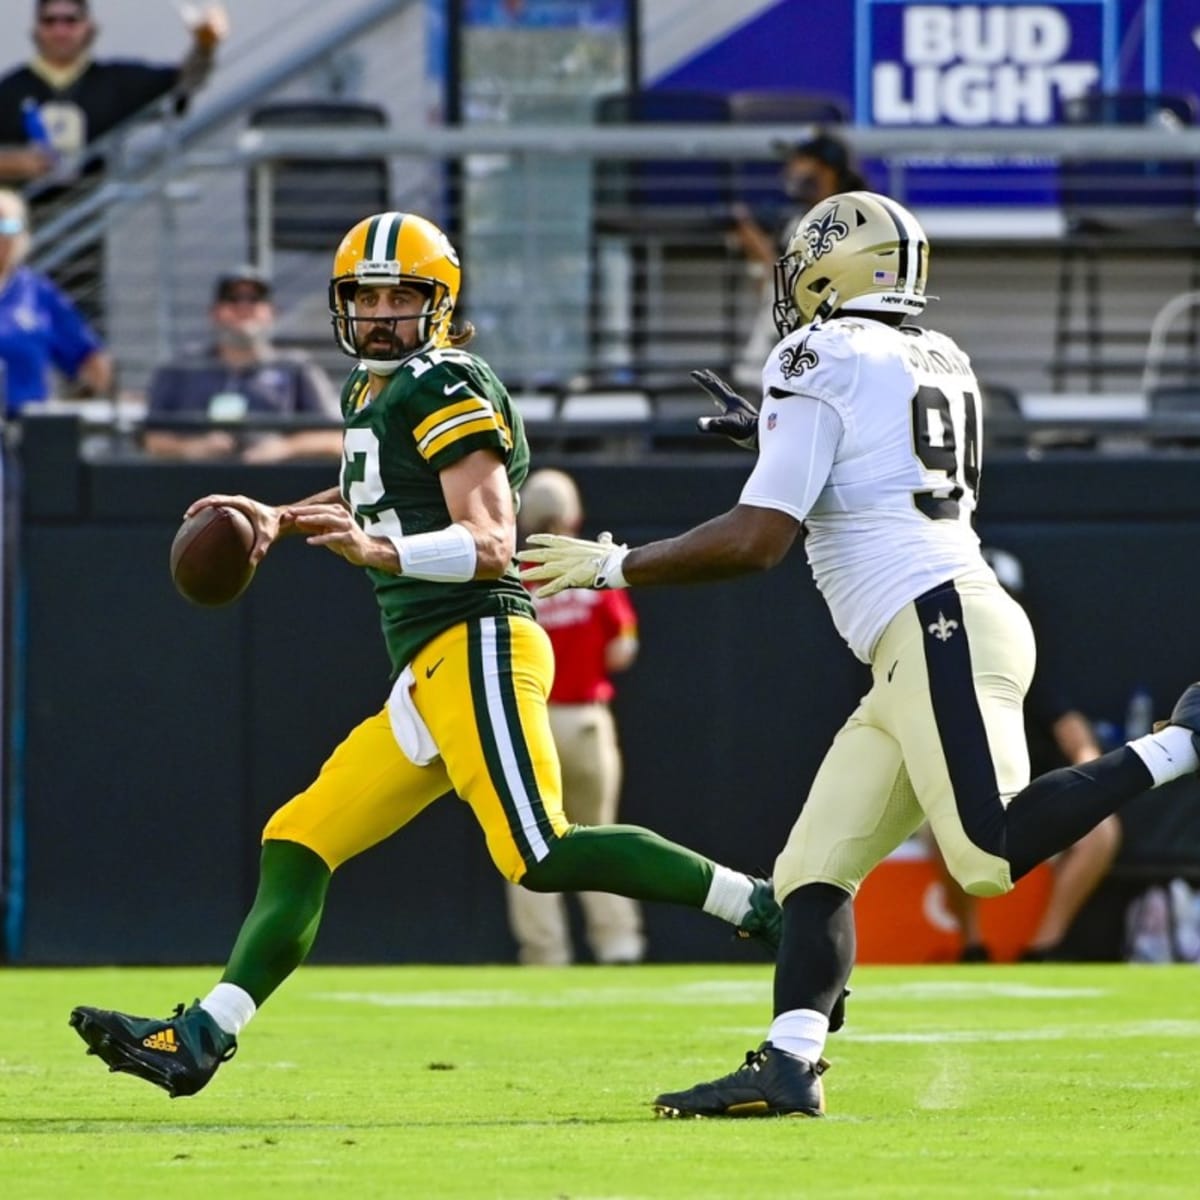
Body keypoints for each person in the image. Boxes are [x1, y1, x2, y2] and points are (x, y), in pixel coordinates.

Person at [67, 210, 781, 1099]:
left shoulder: (442, 381)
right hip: (432, 664)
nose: (381, 313)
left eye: (402, 294)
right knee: (299, 837)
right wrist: (281, 516)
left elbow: (489, 539)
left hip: (477, 636)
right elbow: (378, 488)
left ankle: (762, 907)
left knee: (540, 851)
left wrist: (380, 553)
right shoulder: (375, 392)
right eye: (366, 296)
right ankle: (204, 1035)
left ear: (440, 305)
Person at [519, 190, 1200, 1118]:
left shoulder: (819, 351)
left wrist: (615, 563)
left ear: (834, 269)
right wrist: (768, 436)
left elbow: (761, 540)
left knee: (988, 852)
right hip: (921, 630)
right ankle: (791, 1063)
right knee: (811, 871)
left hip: (935, 620)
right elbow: (873, 467)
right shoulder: (940, 354)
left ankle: (1185, 743)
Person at [933, 546, 1121, 963]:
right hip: (969, 800)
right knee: (936, 825)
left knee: (1102, 831)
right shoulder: (936, 674)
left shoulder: (1029, 673)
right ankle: (972, 945)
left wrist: (1088, 774)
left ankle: (1044, 947)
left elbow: (1073, 732)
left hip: (1035, 801)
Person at [0, 0, 228, 320]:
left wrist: (205, 47)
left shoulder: (113, 82)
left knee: (82, 321)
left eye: (70, 20)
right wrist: (12, 162)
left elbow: (184, 84)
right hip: (18, 228)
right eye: (50, 21)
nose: (60, 30)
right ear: (36, 30)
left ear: (88, 27)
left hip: (88, 228)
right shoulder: (10, 89)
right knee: (17, 317)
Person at [506, 468, 645, 966]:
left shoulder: (512, 576)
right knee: (599, 833)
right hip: (585, 718)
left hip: (530, 723)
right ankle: (618, 942)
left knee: (527, 841)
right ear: (573, 515)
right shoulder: (592, 570)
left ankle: (545, 952)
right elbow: (623, 649)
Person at [142, 267, 343, 463]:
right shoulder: (181, 368)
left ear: (272, 312)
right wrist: (193, 448)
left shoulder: (296, 367)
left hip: (279, 486)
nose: (244, 307)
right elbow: (151, 439)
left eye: (254, 300)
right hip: (194, 484)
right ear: (214, 312)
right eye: (233, 299)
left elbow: (336, 438)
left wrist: (283, 448)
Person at [730, 132, 869, 391]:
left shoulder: (849, 219)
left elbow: (808, 292)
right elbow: (775, 290)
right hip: (781, 361)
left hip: (821, 366)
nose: (790, 170)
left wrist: (758, 248)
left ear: (826, 169)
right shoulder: (796, 222)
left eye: (801, 161)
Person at [0, 186, 110, 414]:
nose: (4, 237)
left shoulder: (36, 292)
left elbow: (89, 356)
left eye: (9, 227)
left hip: (23, 427)